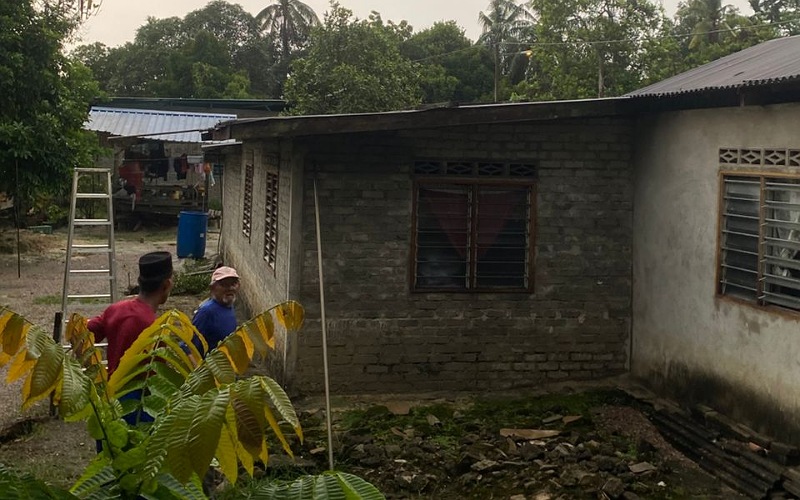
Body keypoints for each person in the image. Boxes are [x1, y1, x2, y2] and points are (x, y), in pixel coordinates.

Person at [87, 251, 173, 425]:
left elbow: (86, 331)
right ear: (167, 284)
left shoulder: (116, 310)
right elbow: (158, 377)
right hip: (140, 401)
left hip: (111, 396)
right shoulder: (155, 327)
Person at [191, 266, 240, 357]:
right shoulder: (206, 312)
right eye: (224, 284)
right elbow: (191, 347)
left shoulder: (229, 306)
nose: (230, 288)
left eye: (233, 284)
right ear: (212, 288)